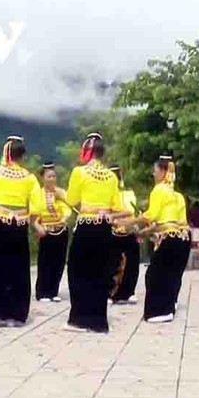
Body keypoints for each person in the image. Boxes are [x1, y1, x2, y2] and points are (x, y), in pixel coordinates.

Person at [0, 136, 40, 327]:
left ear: (6, 152)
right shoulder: (30, 178)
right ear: (22, 156)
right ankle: (17, 315)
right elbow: (37, 207)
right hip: (19, 226)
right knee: (18, 269)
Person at [64, 133, 122, 333]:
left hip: (87, 226)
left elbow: (72, 200)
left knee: (78, 271)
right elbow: (117, 206)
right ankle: (98, 320)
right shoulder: (112, 176)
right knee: (100, 272)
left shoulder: (80, 172)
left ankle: (80, 318)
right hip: (105, 227)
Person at [123, 156, 188, 323]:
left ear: (164, 171)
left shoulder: (159, 190)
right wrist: (145, 232)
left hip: (167, 238)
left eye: (156, 170)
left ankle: (160, 311)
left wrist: (131, 221)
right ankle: (169, 306)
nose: (154, 173)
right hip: (179, 238)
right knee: (169, 275)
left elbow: (153, 215)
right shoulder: (176, 195)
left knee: (154, 275)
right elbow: (172, 221)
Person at [31, 162, 71, 303]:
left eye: (54, 176)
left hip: (60, 230)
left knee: (58, 261)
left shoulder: (60, 193)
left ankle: (54, 291)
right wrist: (38, 227)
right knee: (45, 262)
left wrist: (64, 217)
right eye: (49, 176)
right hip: (46, 230)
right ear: (43, 178)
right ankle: (42, 292)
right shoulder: (37, 194)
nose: (52, 179)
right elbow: (34, 215)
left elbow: (68, 208)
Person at [109, 164, 141, 305]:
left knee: (132, 262)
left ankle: (129, 292)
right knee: (112, 263)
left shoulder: (129, 194)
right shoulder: (105, 195)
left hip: (128, 230)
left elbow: (133, 212)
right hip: (112, 231)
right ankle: (110, 293)